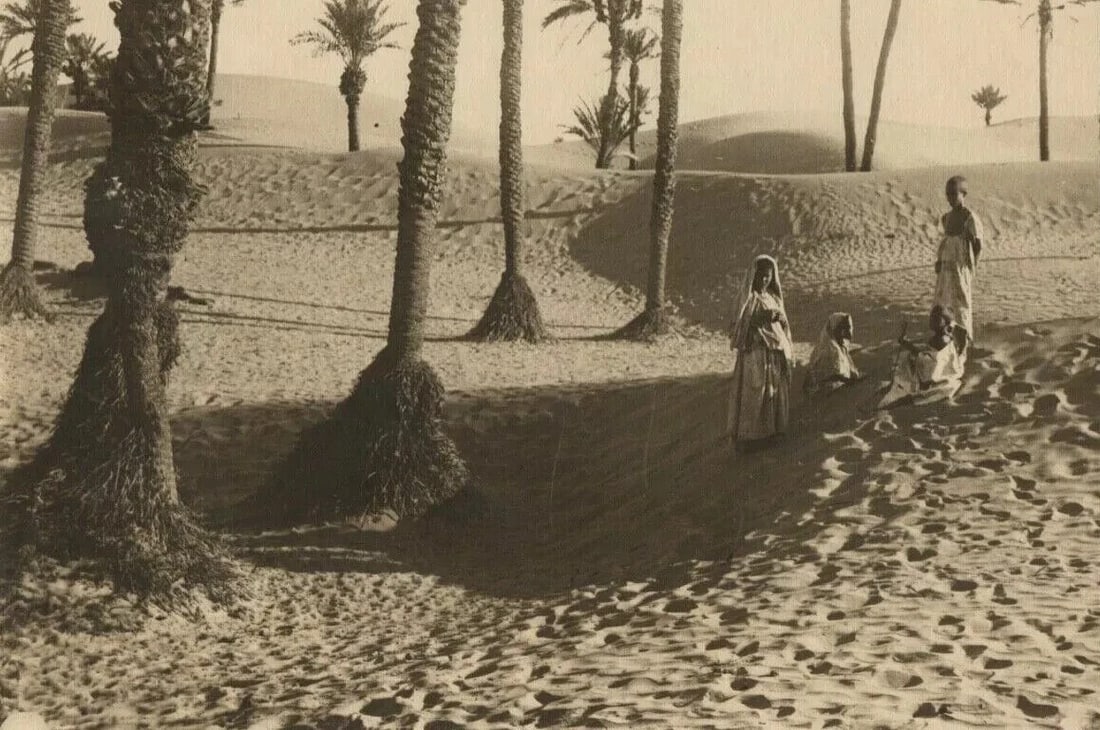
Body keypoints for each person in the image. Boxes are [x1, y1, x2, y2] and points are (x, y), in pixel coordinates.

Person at [727, 255, 794, 450]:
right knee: (756, 394)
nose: (765, 280)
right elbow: (739, 327)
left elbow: (784, 326)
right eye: (761, 276)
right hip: (755, 354)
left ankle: (772, 432)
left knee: (773, 393)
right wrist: (760, 318)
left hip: (774, 354)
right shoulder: (748, 300)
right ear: (754, 276)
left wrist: (780, 319)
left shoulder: (773, 298)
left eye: (768, 276)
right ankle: (751, 438)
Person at [934, 175, 984, 356]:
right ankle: (945, 344)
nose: (951, 198)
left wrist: (971, 268)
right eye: (948, 194)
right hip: (945, 270)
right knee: (943, 305)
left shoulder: (969, 217)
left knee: (961, 305)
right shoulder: (946, 218)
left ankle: (963, 344)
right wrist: (939, 262)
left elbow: (977, 245)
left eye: (954, 194)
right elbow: (945, 242)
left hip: (960, 268)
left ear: (964, 194)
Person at [878, 305, 964, 408]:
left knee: (909, 361)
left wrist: (907, 345)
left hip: (936, 376)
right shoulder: (940, 337)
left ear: (945, 322)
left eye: (936, 318)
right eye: (932, 316)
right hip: (930, 371)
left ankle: (906, 390)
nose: (932, 320)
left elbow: (929, 360)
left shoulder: (942, 339)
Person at [803, 312, 861, 395]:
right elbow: (826, 376)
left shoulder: (841, 347)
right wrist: (846, 380)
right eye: (842, 328)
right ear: (835, 327)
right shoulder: (828, 348)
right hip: (824, 394)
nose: (845, 331)